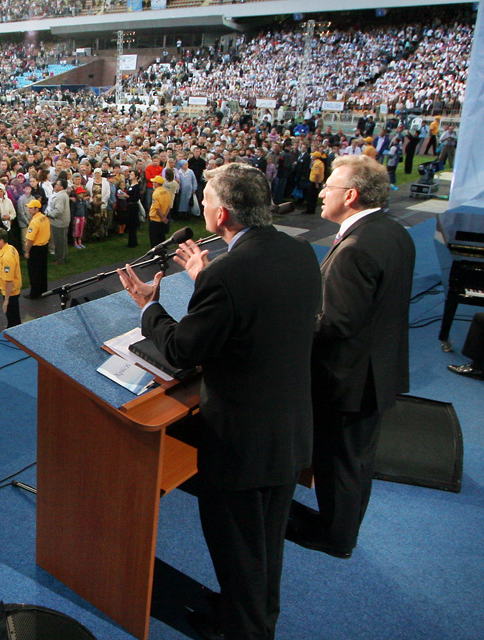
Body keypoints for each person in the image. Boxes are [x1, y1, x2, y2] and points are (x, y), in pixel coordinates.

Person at [118, 162, 322, 640]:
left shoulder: (227, 274)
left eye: (207, 200)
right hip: (288, 428)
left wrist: (149, 305)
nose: (203, 206)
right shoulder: (298, 251)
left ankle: (247, 630)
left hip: (242, 443)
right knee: (265, 543)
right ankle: (254, 613)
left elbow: (181, 349)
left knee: (238, 547)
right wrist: (208, 278)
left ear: (223, 214)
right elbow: (257, 317)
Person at [287, 154, 416, 560]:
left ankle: (336, 537)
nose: (322, 191)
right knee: (357, 461)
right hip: (379, 369)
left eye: (331, 187)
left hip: (350, 378)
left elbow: (334, 325)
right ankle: (341, 526)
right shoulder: (393, 232)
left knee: (339, 462)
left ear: (352, 195)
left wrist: (287, 323)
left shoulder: (356, 247)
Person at [0, 227, 21, 328]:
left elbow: (9, 280)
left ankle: (14, 332)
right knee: (13, 316)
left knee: (12, 316)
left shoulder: (7, 257)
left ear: (1, 240)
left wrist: (6, 300)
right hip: (10, 290)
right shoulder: (9, 248)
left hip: (10, 291)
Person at [23, 199, 49, 299]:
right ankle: (43, 289)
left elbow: (30, 239)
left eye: (31, 208)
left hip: (36, 248)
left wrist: (27, 251)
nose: (29, 210)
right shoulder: (44, 218)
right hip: (44, 246)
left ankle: (34, 293)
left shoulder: (34, 222)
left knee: (34, 272)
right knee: (42, 270)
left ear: (36, 208)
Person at [148, 174, 171, 247]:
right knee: (162, 237)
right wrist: (165, 217)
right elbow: (168, 206)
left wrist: (162, 217)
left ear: (157, 183)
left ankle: (155, 254)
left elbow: (157, 207)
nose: (153, 183)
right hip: (163, 217)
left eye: (154, 182)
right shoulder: (167, 192)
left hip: (155, 219)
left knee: (154, 239)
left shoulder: (156, 193)